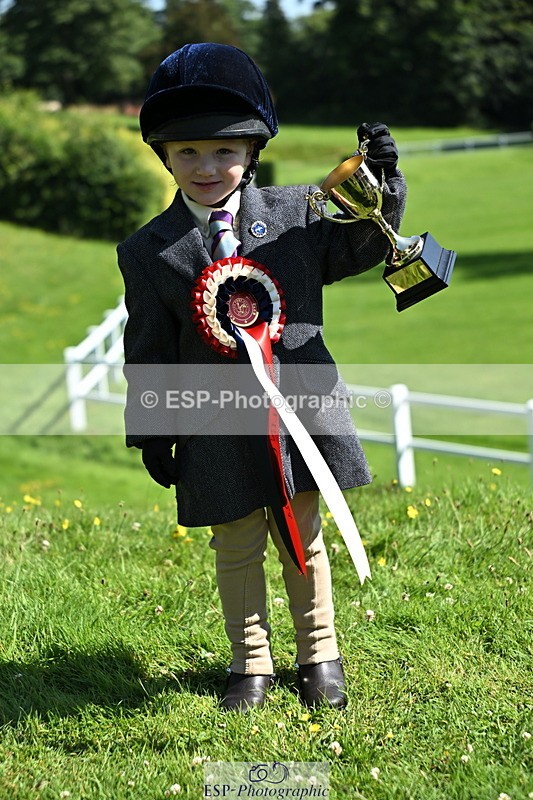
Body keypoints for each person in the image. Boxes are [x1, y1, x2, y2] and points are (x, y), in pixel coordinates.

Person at [117, 42, 406, 712]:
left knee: (304, 537)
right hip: (213, 426)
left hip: (303, 414)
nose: (206, 167)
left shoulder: (299, 213)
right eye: (186, 152)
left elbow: (361, 246)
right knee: (236, 544)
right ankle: (249, 664)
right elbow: (148, 348)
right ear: (164, 156)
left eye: (223, 151)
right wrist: (152, 431)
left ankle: (319, 656)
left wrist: (386, 193)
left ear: (251, 151)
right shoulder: (146, 250)